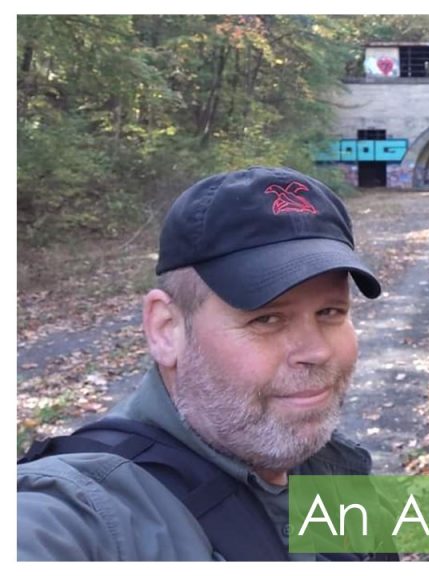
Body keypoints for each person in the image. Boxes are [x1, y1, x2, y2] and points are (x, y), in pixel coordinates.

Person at [18, 166, 388, 560]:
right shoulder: (84, 511)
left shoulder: (331, 467)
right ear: (166, 329)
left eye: (330, 311)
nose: (316, 351)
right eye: (266, 319)